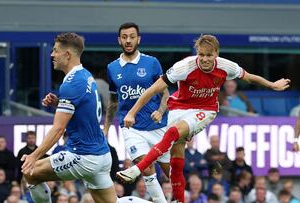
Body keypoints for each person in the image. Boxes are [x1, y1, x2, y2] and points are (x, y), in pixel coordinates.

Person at [116, 34, 290, 203]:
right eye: (201, 54)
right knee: (176, 160)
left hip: (206, 110)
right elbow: (153, 89)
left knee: (172, 133)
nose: (205, 59)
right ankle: (179, 200)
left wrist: (272, 85)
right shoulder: (183, 67)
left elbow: (250, 77)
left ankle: (136, 169)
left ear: (216, 54)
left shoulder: (226, 66)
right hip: (179, 106)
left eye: (209, 55)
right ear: (196, 53)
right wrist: (132, 112)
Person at [20, 32, 117, 203]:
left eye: (55, 50)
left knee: (30, 171)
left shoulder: (71, 83)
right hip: (102, 155)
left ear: (67, 54)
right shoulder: (85, 74)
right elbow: (83, 110)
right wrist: (59, 103)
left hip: (83, 156)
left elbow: (58, 130)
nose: (52, 55)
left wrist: (33, 156)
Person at [103, 22, 170, 203]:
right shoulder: (112, 68)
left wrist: (160, 109)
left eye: (132, 36)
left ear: (138, 39)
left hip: (158, 126)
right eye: (124, 37)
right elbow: (113, 101)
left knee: (171, 172)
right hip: (131, 127)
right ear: (119, 40)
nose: (128, 40)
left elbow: (165, 93)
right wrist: (106, 128)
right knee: (146, 166)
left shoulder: (152, 63)